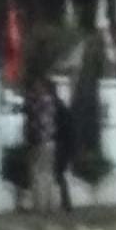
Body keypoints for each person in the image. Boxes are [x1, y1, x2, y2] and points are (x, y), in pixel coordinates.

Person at [24, 77, 59, 213]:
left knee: (37, 174)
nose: (36, 90)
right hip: (50, 142)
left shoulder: (40, 104)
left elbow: (34, 119)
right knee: (48, 174)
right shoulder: (51, 103)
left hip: (40, 142)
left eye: (38, 87)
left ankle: (40, 205)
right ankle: (51, 204)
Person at [50, 80, 74, 213]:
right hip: (64, 145)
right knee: (59, 175)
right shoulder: (61, 106)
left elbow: (61, 128)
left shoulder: (57, 107)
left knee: (58, 174)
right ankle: (65, 203)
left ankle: (65, 203)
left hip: (61, 146)